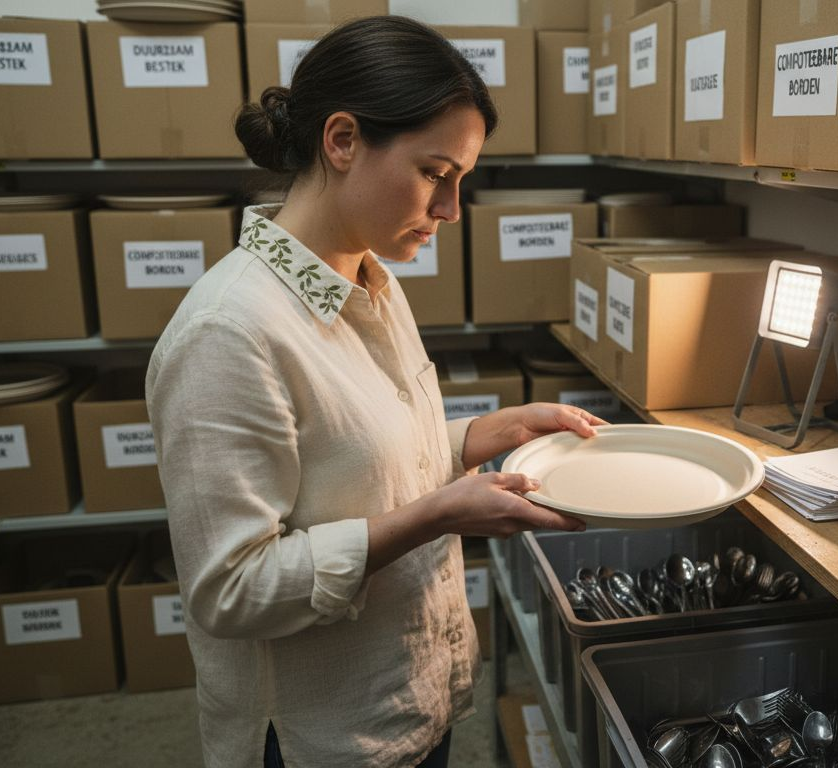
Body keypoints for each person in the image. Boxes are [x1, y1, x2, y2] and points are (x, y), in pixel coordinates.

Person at [145, 16, 604, 768]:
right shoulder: (228, 332)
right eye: (435, 174)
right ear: (342, 140)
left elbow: (351, 463)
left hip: (409, 697)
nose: (451, 209)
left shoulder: (369, 279)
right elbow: (230, 590)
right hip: (321, 738)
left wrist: (478, 436)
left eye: (460, 180)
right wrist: (437, 516)